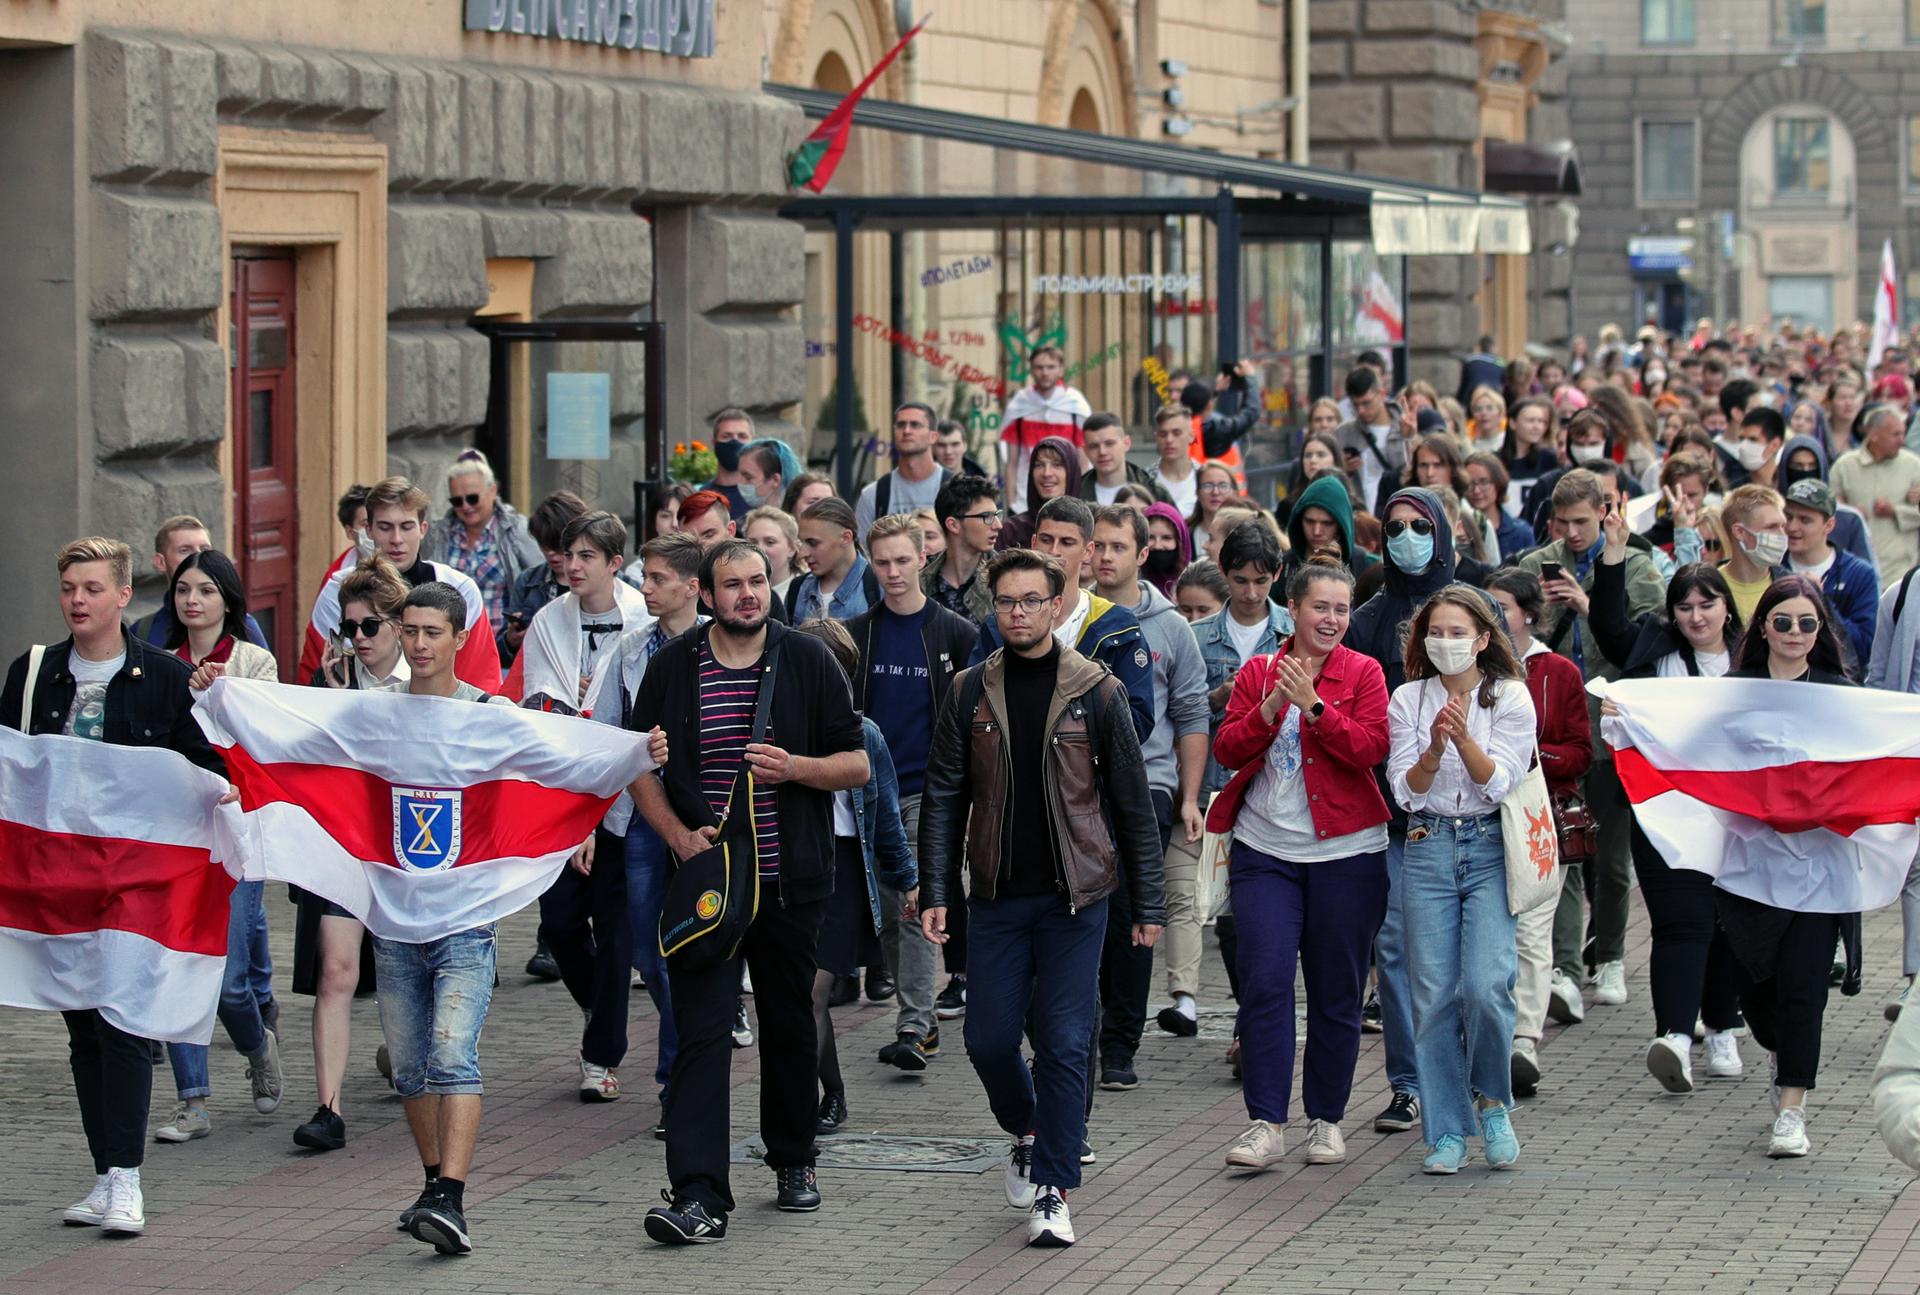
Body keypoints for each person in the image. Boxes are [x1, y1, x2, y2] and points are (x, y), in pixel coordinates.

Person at [917, 548, 1165, 1249]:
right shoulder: (969, 690)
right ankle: (1029, 1129)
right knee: (989, 1039)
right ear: (993, 608)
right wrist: (937, 887)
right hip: (996, 895)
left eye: (1031, 600)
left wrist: (1148, 904)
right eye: (1007, 601)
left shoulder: (1098, 690)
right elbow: (944, 795)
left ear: (1057, 607)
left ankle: (1054, 1187)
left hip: (1076, 898)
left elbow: (1132, 803)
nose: (1018, 612)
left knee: (1063, 1040)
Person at [631, 539, 868, 1243]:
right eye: (732, 584)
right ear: (706, 595)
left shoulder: (808, 659)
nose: (748, 594)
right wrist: (677, 836)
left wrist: (796, 768)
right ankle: (698, 1193)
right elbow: (635, 762)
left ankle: (794, 1158)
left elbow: (857, 762)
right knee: (702, 1032)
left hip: (790, 879)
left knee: (788, 1023)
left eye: (758, 581)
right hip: (708, 885)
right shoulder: (673, 666)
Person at [2, 537, 228, 1237]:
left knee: (122, 1017)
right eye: (69, 587)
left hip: (136, 883)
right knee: (83, 1026)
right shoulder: (33, 673)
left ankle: (128, 1179)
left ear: (124, 595)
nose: (78, 600)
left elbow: (211, 770)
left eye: (93, 588)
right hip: (60, 880)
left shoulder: (165, 678)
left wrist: (222, 752)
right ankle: (104, 1174)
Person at [1619, 575, 1855, 1158]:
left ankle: (1792, 1109)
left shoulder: (1841, 695)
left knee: (1804, 989)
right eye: (1783, 621)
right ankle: (1777, 1050)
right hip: (1747, 871)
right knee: (1759, 995)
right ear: (1763, 627)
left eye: (1807, 623)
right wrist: (1629, 722)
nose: (1795, 632)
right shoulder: (1731, 692)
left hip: (1818, 872)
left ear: (1820, 631)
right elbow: (1681, 747)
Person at [1208, 558, 1390, 1169]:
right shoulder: (1259, 671)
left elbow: (1371, 748)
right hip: (1265, 852)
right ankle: (1265, 1123)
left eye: (1342, 609)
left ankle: (1326, 1120)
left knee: (1337, 992)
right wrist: (1268, 708)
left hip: (1348, 856)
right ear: (1294, 609)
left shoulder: (1364, 672)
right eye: (1320, 607)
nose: (1332, 619)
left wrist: (1314, 706)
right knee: (1264, 981)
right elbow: (1227, 747)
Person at [367, 582, 520, 1254]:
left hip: (465, 915)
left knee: (452, 1052)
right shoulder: (376, 710)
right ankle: (433, 1184)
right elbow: (301, 737)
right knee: (409, 1067)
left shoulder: (488, 712)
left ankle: (452, 1198)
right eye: (410, 631)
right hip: (395, 916)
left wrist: (630, 753)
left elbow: (557, 759)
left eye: (433, 632)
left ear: (460, 638)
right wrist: (224, 699)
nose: (420, 644)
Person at [1588, 514, 1748, 1091]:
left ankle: (1723, 1027)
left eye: (1707, 604)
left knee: (1726, 921)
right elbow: (1608, 624)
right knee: (1680, 922)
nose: (1696, 617)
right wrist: (1612, 553)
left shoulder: (1752, 662)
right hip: (1663, 812)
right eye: (1684, 607)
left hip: (1734, 818)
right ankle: (1675, 1036)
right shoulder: (1653, 650)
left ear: (1727, 608)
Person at [1386, 586, 1537, 1175]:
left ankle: (1493, 1101)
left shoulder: (1510, 696)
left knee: (1486, 985)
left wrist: (1464, 738)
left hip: (1489, 846)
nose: (1445, 642)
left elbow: (1499, 782)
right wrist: (1432, 749)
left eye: (1457, 633)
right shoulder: (1408, 698)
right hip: (1426, 845)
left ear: (1482, 639)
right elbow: (1405, 791)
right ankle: (1446, 1129)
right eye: (1436, 632)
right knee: (1432, 996)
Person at [1517, 468, 1665, 1022]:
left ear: (1605, 513)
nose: (1573, 533)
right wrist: (1543, 609)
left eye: (1582, 521)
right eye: (1564, 523)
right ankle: (1564, 968)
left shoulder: (1637, 565)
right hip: (1553, 726)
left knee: (1611, 854)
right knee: (1563, 850)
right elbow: (1515, 629)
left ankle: (1610, 957)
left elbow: (1647, 642)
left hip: (1612, 724)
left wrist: (1587, 603)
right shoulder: (1537, 564)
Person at [519, 511, 654, 1102]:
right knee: (560, 925)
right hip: (564, 796)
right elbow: (542, 706)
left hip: (627, 798)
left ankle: (601, 1057)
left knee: (617, 932)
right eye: (567, 554)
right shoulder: (549, 620)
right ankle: (601, 1010)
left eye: (585, 557)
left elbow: (632, 715)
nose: (571, 566)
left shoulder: (643, 620)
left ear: (614, 563)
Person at [156, 550, 284, 1143]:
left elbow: (268, 742)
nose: (193, 600)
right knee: (178, 967)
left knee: (231, 981)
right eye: (184, 589)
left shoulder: (254, 661)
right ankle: (193, 1101)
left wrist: (222, 693)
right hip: (177, 832)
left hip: (238, 831)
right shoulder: (158, 662)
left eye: (206, 590)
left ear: (228, 600)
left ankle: (257, 1045)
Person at [1343, 486, 1460, 1136]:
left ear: (1441, 531)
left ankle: (1468, 1072)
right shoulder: (1368, 619)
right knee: (1393, 951)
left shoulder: (1472, 606)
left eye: (1420, 526)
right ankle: (1409, 1083)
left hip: (1466, 811)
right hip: (1393, 812)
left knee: (1462, 955)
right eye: (1394, 528)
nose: (1407, 537)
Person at [845, 514, 980, 1071]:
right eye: (882, 562)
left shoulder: (957, 633)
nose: (893, 572)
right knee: (886, 912)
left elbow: (975, 723)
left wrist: (969, 799)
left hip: (930, 793)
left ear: (923, 558)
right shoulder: (859, 633)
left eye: (902, 560)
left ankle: (915, 1025)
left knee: (916, 904)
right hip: (871, 793)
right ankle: (919, 1018)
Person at [289, 555, 409, 1153]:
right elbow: (306, 759)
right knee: (337, 970)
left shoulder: (426, 680)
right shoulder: (330, 684)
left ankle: (413, 1069)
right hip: (342, 846)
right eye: (349, 627)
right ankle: (328, 1108)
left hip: (410, 848)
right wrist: (335, 704)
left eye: (370, 625)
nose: (358, 638)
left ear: (397, 625)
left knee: (405, 974)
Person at [1088, 506, 1210, 1091]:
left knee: (1133, 916)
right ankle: (1080, 1034)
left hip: (1147, 786)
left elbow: (1190, 712)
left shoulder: (1170, 626)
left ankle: (1119, 1045)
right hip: (1075, 786)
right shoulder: (1071, 614)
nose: (1105, 556)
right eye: (1097, 545)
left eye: (1117, 546)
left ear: (1142, 554)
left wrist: (1189, 797)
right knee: (1082, 914)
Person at [789, 617, 916, 1136]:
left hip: (841, 871)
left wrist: (907, 880)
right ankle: (815, 1093)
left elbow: (885, 816)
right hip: (788, 867)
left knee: (812, 992)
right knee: (794, 994)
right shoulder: (776, 726)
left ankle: (827, 1096)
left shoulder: (865, 734)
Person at [1482, 569, 1593, 1099]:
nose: (1494, 616)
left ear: (1529, 613)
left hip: (1538, 815)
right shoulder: (1471, 666)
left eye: (1502, 606)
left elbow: (1581, 752)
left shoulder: (1558, 671)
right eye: (1487, 606)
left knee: (1531, 928)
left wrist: (1531, 756)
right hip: (1480, 815)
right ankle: (1485, 1036)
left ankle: (1524, 1038)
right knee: (1487, 930)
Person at [612, 531, 709, 1131]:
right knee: (649, 954)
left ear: (692, 587)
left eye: (657, 579)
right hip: (644, 814)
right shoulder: (630, 649)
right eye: (644, 577)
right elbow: (610, 734)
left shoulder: (720, 643)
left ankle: (679, 1079)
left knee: (689, 949)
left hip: (708, 811)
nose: (644, 588)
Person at [967, 496, 1155, 745]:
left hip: (1088, 767)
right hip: (1010, 763)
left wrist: (1069, 737)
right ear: (1034, 543)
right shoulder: (1000, 623)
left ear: (1088, 551)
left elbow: (1137, 722)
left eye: (1067, 542)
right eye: (1046, 540)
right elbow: (971, 708)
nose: (1054, 551)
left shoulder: (1118, 627)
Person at [303, 476, 502, 692]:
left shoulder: (460, 589)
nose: (396, 539)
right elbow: (315, 685)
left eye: (406, 527)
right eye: (385, 527)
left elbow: (480, 682)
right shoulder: (337, 590)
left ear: (423, 529)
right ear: (368, 530)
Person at [426, 449, 542, 643]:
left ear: (492, 491)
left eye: (472, 498)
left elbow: (539, 581)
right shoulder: (438, 535)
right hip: (450, 647)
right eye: (457, 501)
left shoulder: (517, 530)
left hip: (501, 646)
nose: (466, 506)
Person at [1782, 478, 1878, 674]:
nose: (1792, 527)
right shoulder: (1773, 568)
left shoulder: (1859, 574)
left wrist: (1822, 602)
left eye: (1805, 520)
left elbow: (1863, 649)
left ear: (1829, 525)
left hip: (1837, 682)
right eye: (1788, 517)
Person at [130, 516, 269, 649]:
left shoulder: (242, 626)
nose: (198, 557)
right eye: (185, 550)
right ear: (161, 562)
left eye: (204, 549)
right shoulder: (144, 632)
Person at [1830, 404, 1920, 584]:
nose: (1902, 440)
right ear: (1874, 434)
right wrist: (1850, 513)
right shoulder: (1845, 466)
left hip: (1900, 570)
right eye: (1895, 434)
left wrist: (1894, 512)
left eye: (1903, 433)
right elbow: (1827, 513)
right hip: (1857, 570)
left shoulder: (1913, 465)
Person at [503, 491, 589, 667]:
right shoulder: (527, 582)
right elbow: (504, 657)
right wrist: (511, 641)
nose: (550, 553)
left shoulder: (609, 581)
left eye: (557, 546)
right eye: (543, 544)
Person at [1001, 346, 1091, 513]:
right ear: (1031, 370)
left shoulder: (1074, 404)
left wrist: (1080, 500)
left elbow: (1083, 462)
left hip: (1067, 500)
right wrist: (1011, 504)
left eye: (1051, 367)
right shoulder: (1020, 404)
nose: (1045, 373)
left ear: (1061, 370)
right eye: (1039, 367)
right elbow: (1011, 463)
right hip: (1024, 501)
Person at [856, 402, 952, 536]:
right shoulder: (873, 495)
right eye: (901, 425)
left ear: (933, 437)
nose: (906, 431)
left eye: (915, 425)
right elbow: (862, 547)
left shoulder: (955, 490)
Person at [1335, 366, 1414, 517]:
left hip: (1399, 515)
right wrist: (1344, 470)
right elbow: (1332, 479)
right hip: (1361, 517)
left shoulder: (1406, 425)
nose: (1361, 410)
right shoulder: (1343, 433)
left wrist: (1408, 438)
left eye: (1366, 403)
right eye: (1355, 405)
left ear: (1382, 394)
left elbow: (1413, 473)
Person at [924, 474, 1003, 622]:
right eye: (987, 516)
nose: (998, 525)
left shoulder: (1005, 576)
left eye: (997, 515)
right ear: (953, 525)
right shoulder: (921, 582)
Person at [792, 497, 878, 622]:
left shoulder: (878, 587)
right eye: (802, 543)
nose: (802, 553)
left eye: (813, 543)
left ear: (846, 538)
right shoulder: (798, 589)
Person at [1716, 483, 1789, 622]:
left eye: (1783, 526)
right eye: (1771, 527)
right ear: (1739, 532)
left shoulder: (1795, 588)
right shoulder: (1707, 587)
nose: (1782, 535)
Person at [997, 435, 1082, 551]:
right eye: (1039, 465)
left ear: (1072, 473)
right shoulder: (1011, 531)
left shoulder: (1091, 528)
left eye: (1056, 465)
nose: (1046, 473)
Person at [1078, 413, 1169, 506]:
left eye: (1109, 443)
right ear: (1085, 451)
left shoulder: (1155, 493)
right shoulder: (1074, 494)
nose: (1102, 452)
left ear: (1126, 443)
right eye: (1094, 446)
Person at [1465, 452, 1532, 560]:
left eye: (1484, 482)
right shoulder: (1459, 531)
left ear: (1498, 483)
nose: (1476, 490)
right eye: (1470, 483)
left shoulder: (1521, 532)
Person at [702, 407, 758, 518]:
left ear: (753, 443)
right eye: (726, 436)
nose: (734, 441)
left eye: (742, 436)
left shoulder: (761, 496)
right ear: (714, 442)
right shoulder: (701, 497)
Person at [743, 505, 804, 605]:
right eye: (752, 542)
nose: (759, 549)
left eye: (770, 542)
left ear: (792, 548)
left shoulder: (805, 592)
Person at [1151, 403, 1200, 514]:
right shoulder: (1144, 480)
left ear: (1191, 437)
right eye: (1163, 434)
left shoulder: (1204, 477)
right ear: (1156, 438)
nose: (1169, 440)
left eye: (1176, 433)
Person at [1186, 461, 1242, 557]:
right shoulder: (1185, 534)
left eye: (1223, 486)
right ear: (1197, 492)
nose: (1215, 492)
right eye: (1207, 486)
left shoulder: (1245, 533)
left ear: (1234, 492)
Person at [1142, 501, 1194, 598]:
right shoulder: (1129, 580)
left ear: (1180, 541)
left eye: (1166, 538)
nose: (1157, 546)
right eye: (1150, 537)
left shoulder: (1196, 579)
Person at [738, 438, 803, 516]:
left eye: (748, 478)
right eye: (740, 475)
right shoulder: (744, 521)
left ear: (775, 480)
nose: (740, 482)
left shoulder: (802, 520)